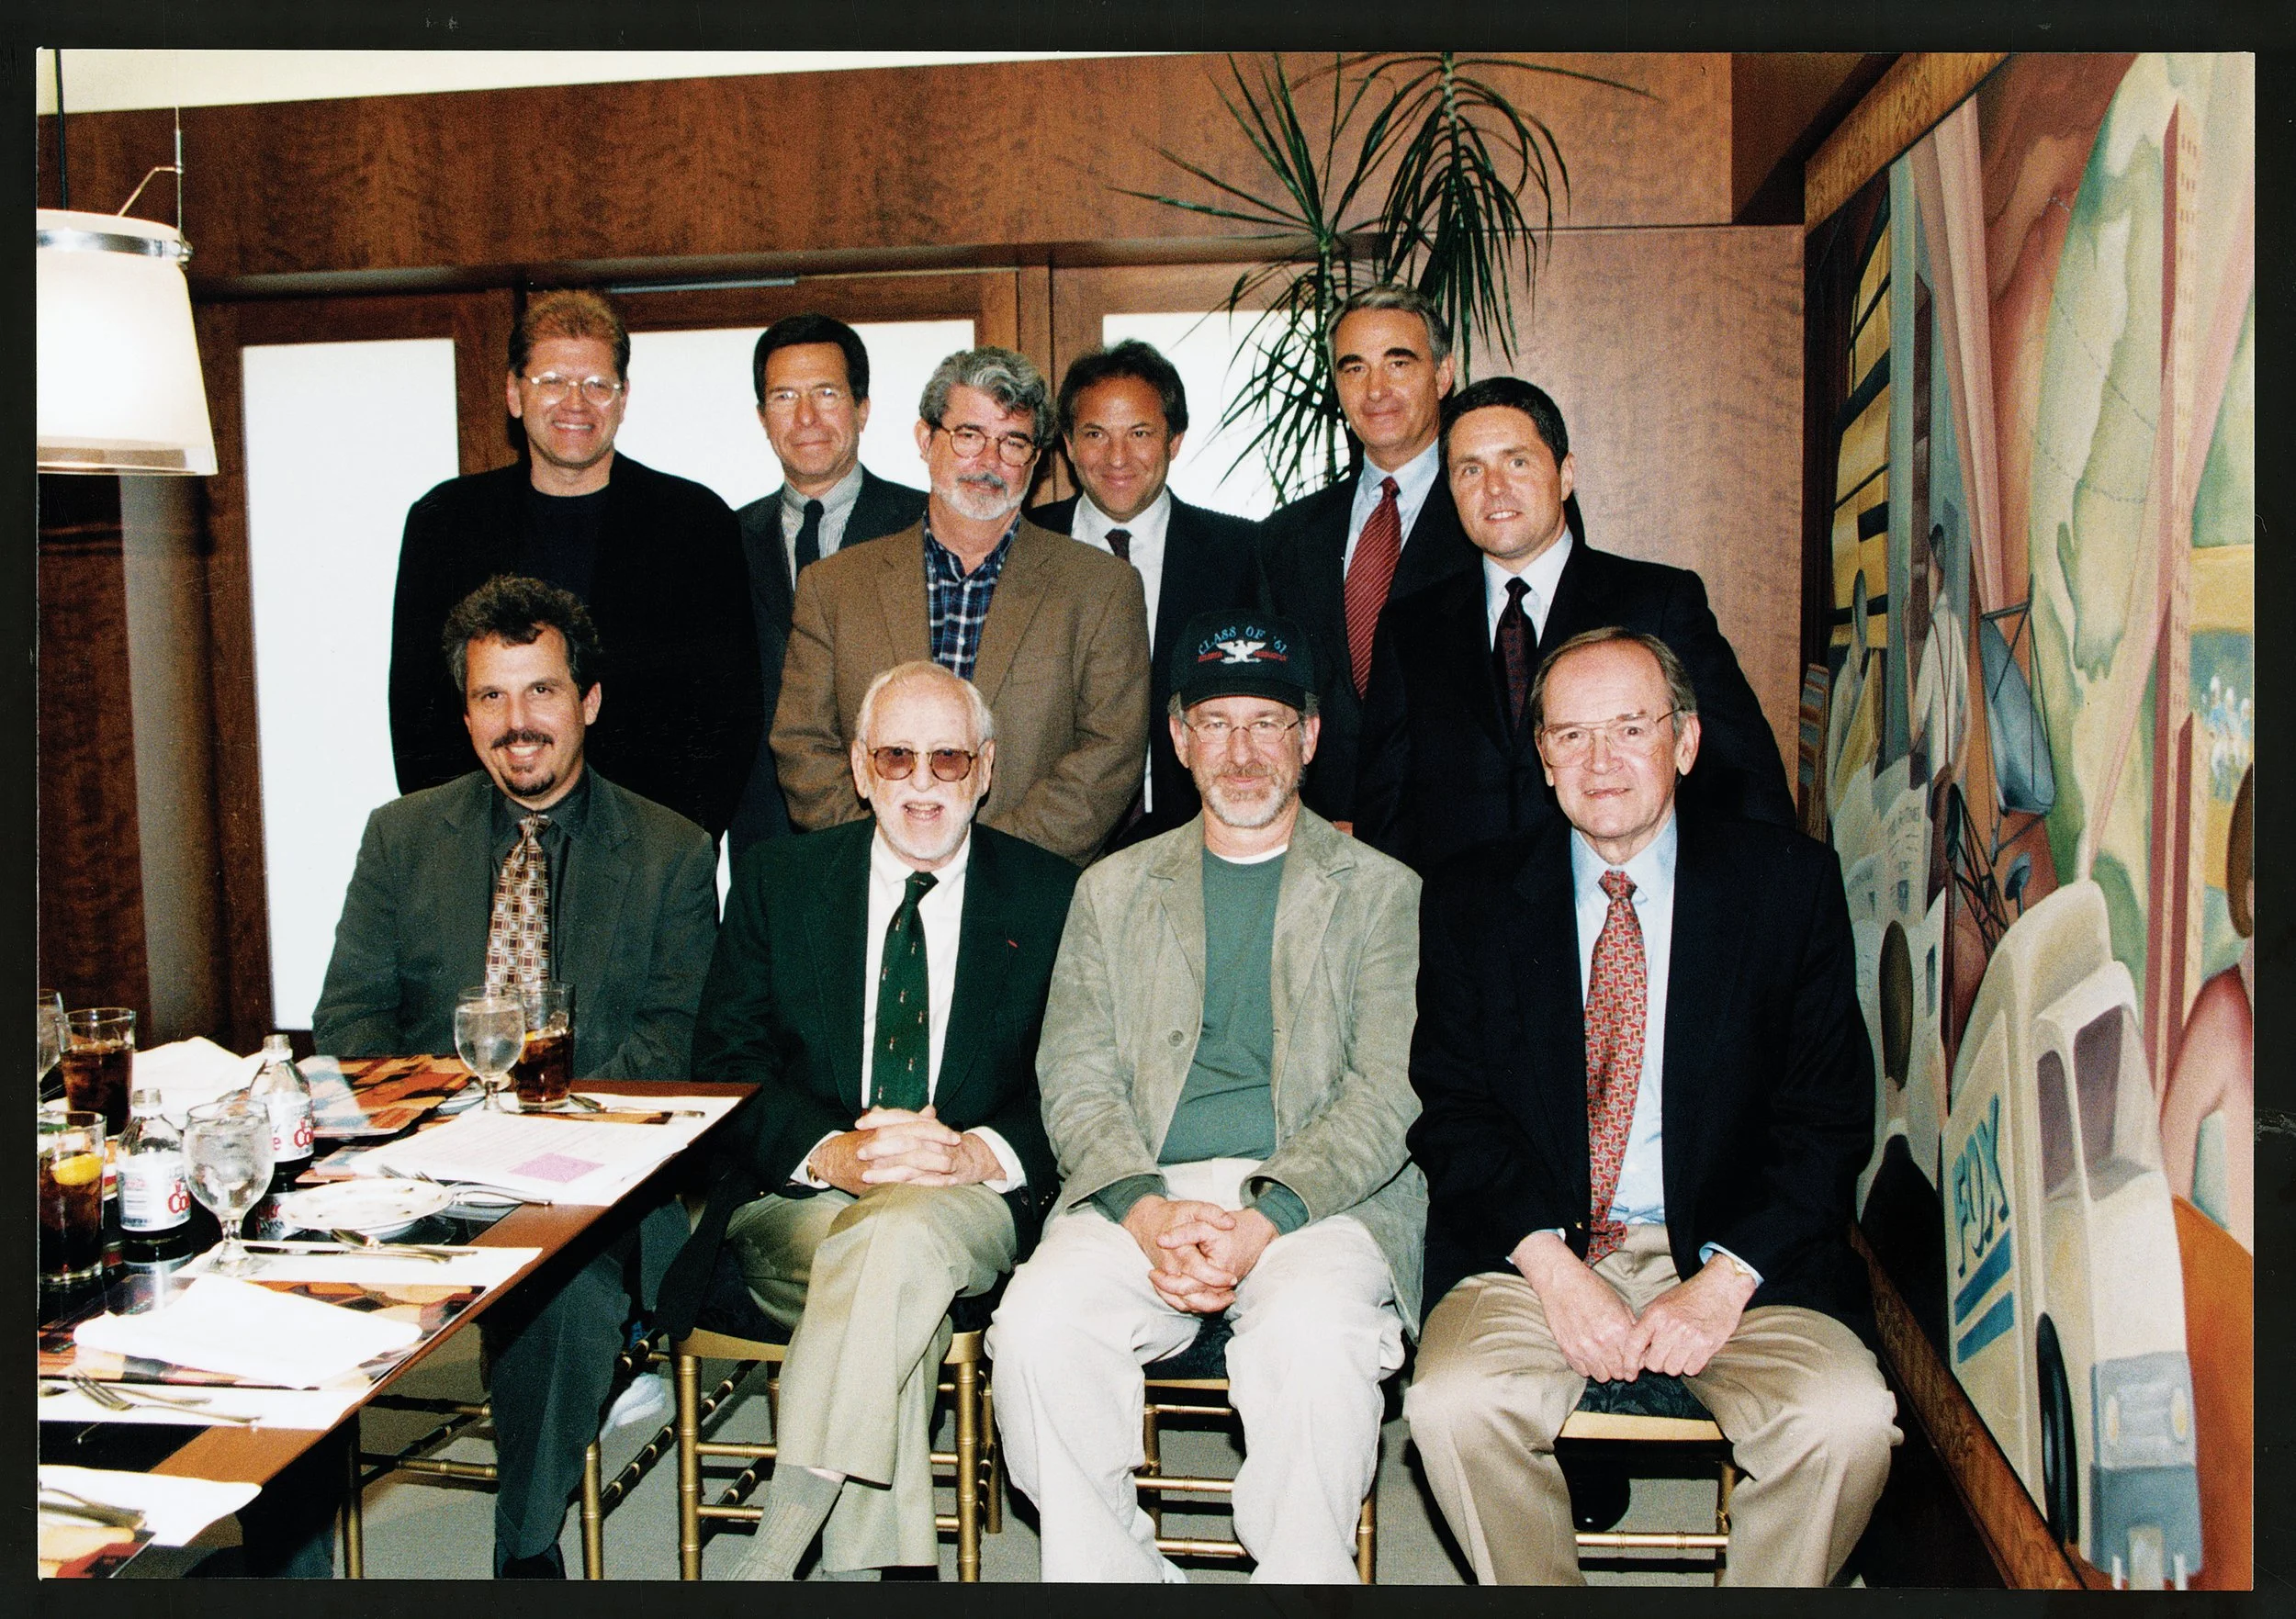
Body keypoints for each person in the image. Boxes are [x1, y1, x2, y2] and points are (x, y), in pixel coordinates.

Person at [1403, 626, 1898, 1587]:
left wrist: (1719, 1283)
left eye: (1630, 727)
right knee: (1451, 1406)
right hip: (1536, 1248)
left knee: (1843, 1423)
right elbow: (1452, 1112)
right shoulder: (1472, 896)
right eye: (1571, 734)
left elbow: (1826, 1114)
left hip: (1734, 1249)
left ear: (1685, 741)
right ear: (1541, 754)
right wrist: (1552, 1270)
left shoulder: (1783, 886)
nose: (1601, 760)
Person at [988, 610, 1424, 1582]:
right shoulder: (1110, 888)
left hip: (1317, 1198)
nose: (1241, 750)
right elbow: (1077, 1073)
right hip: (1142, 1188)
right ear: (1178, 737)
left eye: (1267, 723)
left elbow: (1385, 1090)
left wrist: (1264, 1218)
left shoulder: (1381, 892)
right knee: (1035, 1328)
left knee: (1315, 1340)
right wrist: (1144, 1209)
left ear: (1308, 737)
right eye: (1215, 722)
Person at [317, 575, 718, 1577]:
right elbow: (348, 1023)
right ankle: (285, 1558)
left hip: (589, 1188)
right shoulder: (399, 837)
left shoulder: (670, 851)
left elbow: (671, 1042)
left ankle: (524, 1551)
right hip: (422, 1167)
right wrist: (447, 1136)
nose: (517, 722)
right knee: (286, 1288)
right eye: (491, 697)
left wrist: (542, 1142)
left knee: (562, 1297)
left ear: (588, 700)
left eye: (540, 691)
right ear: (464, 714)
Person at [655, 660, 1077, 1579]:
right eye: (895, 756)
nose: (921, 783)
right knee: (894, 1276)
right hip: (797, 1202)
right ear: (856, 765)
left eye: (947, 758)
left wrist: (977, 1152)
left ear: (987, 766)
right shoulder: (779, 880)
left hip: (963, 1200)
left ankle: (776, 1550)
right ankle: (879, 1574)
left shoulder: (1051, 896)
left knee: (900, 1239)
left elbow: (1082, 1082)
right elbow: (724, 1068)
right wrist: (835, 1153)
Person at [1356, 377, 1793, 871]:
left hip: (1624, 914)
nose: (1494, 487)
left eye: (1517, 462)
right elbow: (1385, 812)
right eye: (1470, 470)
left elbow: (1744, 778)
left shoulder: (1659, 602)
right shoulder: (1410, 627)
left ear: (1565, 475)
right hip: (1464, 929)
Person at [388, 287, 761, 841]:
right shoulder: (445, 522)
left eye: (596, 385)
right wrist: (461, 845)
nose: (576, 403)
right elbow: (419, 706)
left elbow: (729, 716)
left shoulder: (693, 523)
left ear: (624, 396)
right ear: (514, 393)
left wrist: (675, 849)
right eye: (553, 382)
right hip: (482, 852)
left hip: (648, 858)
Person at [771, 344, 1151, 864]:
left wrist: (986, 867)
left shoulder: (1101, 589)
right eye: (969, 435)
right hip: (869, 886)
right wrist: (888, 855)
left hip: (1027, 892)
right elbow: (802, 745)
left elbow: (1110, 755)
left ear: (1035, 461)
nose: (989, 462)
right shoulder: (834, 588)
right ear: (926, 440)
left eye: (1013, 442)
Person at [1256, 285, 1478, 828]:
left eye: (1398, 363)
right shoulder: (1286, 538)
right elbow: (1269, 702)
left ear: (1443, 374)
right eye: (1354, 369)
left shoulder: (1493, 516)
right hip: (1317, 845)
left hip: (1456, 845)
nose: (1376, 389)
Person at [1029, 340, 1260, 845]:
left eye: (1139, 433)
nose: (1117, 457)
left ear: (1174, 441)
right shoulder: (1022, 548)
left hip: (1199, 842)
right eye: (1095, 434)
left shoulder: (1243, 555)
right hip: (1046, 845)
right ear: (1067, 444)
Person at [729, 313, 928, 853]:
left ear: (862, 409)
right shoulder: (725, 538)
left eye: (826, 393)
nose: (807, 417)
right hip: (765, 835)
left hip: (905, 818)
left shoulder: (924, 524)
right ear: (762, 417)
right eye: (784, 397)